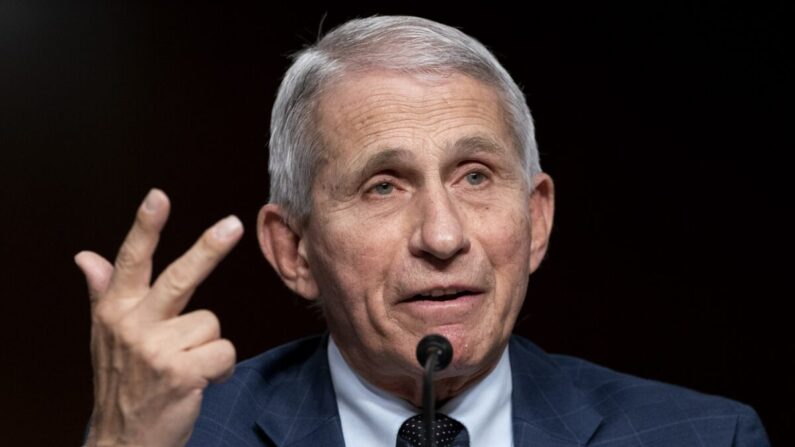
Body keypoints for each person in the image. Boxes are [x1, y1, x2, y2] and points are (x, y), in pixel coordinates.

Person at [75, 15, 770, 447]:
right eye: (383, 185)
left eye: (474, 176)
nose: (442, 236)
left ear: (535, 220)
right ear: (293, 250)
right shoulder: (179, 436)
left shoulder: (707, 436)